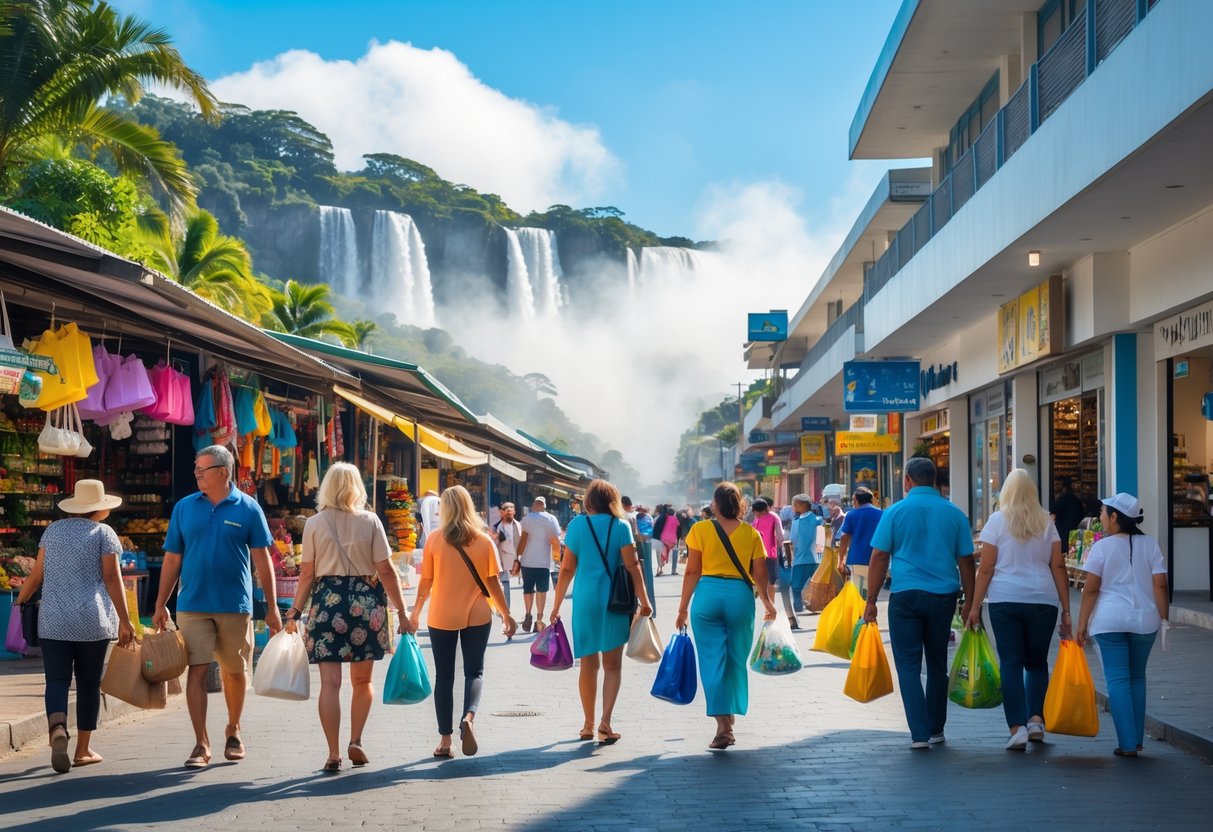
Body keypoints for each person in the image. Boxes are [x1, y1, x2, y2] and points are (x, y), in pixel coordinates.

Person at [152, 445, 280, 769]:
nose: (196, 473)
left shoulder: (248, 509)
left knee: (234, 672)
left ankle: (234, 728)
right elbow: (172, 558)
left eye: (202, 469)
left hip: (234, 605)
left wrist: (273, 606)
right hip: (192, 604)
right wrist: (159, 603)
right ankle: (201, 743)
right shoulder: (184, 508)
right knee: (196, 670)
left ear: (223, 472)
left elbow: (262, 558)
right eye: (195, 468)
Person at [283, 463, 415, 772]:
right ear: (357, 487)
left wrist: (294, 612)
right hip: (365, 604)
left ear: (326, 487)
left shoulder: (314, 523)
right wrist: (403, 610)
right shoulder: (370, 521)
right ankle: (355, 741)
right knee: (362, 680)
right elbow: (385, 570)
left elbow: (306, 575)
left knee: (329, 684)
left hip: (327, 605)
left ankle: (332, 753)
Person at [14, 480, 133, 773]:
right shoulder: (104, 533)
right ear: (99, 509)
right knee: (89, 684)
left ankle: (57, 726)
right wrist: (127, 620)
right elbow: (112, 577)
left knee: (56, 680)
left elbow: (37, 575)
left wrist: (19, 602)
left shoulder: (52, 532)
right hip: (92, 621)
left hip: (53, 620)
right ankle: (82, 750)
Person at [863, 457, 975, 749]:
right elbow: (966, 562)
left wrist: (871, 600)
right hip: (943, 597)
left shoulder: (895, 512)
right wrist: (971, 602)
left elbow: (878, 556)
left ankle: (919, 733)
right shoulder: (954, 514)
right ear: (935, 480)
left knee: (909, 667)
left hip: (905, 596)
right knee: (938, 663)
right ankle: (936, 728)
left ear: (907, 481)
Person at [964, 468, 1070, 750]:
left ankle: (1017, 727)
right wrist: (1067, 609)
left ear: (1006, 492)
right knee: (1036, 662)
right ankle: (1036, 719)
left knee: (1010, 663)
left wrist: (974, 606)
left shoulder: (997, 521)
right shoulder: (1046, 521)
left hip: (1005, 599)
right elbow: (1058, 565)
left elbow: (985, 568)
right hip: (1043, 599)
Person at [410, 486, 518, 758]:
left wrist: (414, 612)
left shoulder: (434, 539)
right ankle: (469, 717)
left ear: (444, 509)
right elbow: (493, 582)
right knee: (474, 672)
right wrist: (506, 614)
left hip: (442, 615)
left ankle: (445, 741)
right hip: (477, 615)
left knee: (444, 677)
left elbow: (426, 581)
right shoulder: (484, 541)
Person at [676, 482, 778, 750]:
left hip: (707, 596)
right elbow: (760, 574)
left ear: (716, 504)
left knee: (712, 661)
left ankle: (723, 724)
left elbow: (692, 572)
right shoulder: (751, 534)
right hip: (740, 598)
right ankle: (727, 717)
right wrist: (767, 602)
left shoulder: (699, 529)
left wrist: (682, 607)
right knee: (734, 660)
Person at [551, 479, 652, 743]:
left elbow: (567, 568)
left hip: (585, 600)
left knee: (588, 664)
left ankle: (587, 724)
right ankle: (605, 723)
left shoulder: (576, 525)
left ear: (588, 501)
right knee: (612, 665)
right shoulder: (621, 526)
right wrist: (644, 600)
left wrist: (556, 604)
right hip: (614, 601)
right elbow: (633, 566)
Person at [1075, 493, 1169, 758]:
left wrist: (1081, 624)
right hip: (1145, 621)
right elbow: (1160, 584)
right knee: (1137, 678)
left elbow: (1090, 590)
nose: (1101, 516)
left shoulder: (1101, 548)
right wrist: (1164, 617)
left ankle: (1127, 744)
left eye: (1103, 512)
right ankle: (1137, 741)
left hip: (1109, 621)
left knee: (1117, 680)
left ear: (1115, 517)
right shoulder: (1150, 545)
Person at [515, 496, 561, 632]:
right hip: (544, 562)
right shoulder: (551, 519)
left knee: (528, 589)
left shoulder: (526, 519)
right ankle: (539, 619)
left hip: (527, 561)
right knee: (542, 590)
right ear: (545, 506)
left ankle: (528, 613)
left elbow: (519, 536)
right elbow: (556, 538)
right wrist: (557, 558)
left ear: (533, 506)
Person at [750, 498, 797, 630]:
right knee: (764, 580)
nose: (755, 514)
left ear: (761, 510)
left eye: (756, 512)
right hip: (760, 554)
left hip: (770, 554)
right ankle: (768, 606)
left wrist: (780, 551)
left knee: (770, 581)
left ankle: (770, 607)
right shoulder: (760, 518)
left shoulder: (771, 517)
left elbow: (780, 536)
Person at [837, 487, 883, 600]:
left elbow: (844, 537)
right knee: (872, 594)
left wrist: (841, 559)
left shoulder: (851, 515)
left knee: (859, 594)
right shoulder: (881, 513)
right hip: (878, 558)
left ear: (856, 500)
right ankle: (868, 615)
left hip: (857, 559)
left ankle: (861, 616)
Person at [787, 494, 821, 614]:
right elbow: (821, 542)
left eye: (794, 504)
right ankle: (813, 604)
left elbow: (792, 541)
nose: (793, 507)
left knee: (796, 586)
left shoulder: (797, 521)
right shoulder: (818, 520)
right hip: (815, 559)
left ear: (800, 505)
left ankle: (798, 608)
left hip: (800, 559)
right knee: (813, 584)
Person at [493, 502, 522, 617]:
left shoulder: (519, 525)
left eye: (511, 508)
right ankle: (505, 610)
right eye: (506, 509)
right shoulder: (496, 528)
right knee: (504, 585)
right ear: (501, 512)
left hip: (517, 560)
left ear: (514, 511)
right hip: (502, 560)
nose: (509, 510)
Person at [1050, 476, 1085, 557]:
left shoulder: (1062, 498)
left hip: (1063, 535)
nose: (1055, 486)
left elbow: (1053, 515)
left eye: (1058, 484)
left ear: (1063, 486)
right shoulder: (1076, 499)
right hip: (1075, 534)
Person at [654, 504, 679, 576]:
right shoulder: (674, 518)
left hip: (662, 539)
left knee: (660, 554)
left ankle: (660, 569)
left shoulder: (658, 518)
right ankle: (673, 570)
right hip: (672, 539)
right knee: (674, 552)